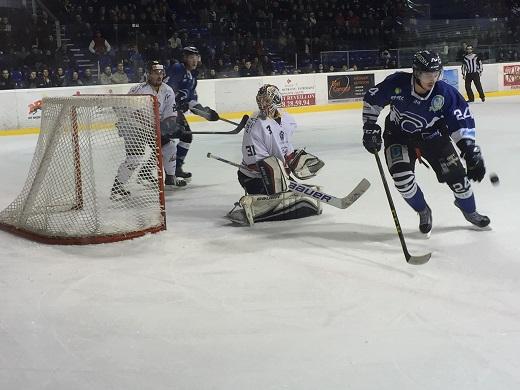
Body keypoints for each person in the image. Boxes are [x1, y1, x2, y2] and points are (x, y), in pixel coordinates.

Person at [362, 50, 490, 235]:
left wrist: (469, 149)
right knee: (402, 181)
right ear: (416, 72)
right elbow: (372, 100)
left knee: (460, 182)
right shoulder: (397, 83)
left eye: (436, 74)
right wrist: (369, 127)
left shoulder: (445, 93)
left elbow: (460, 120)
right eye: (426, 74)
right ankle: (423, 211)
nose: (432, 78)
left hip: (435, 138)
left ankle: (470, 212)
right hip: (397, 136)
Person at [228, 84, 324, 225]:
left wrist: (293, 161)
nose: (262, 104)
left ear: (276, 100)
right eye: (260, 100)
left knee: (292, 193)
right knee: (275, 171)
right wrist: (282, 172)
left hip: (278, 174)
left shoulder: (287, 119)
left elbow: (285, 148)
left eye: (266, 100)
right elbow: (255, 164)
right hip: (254, 178)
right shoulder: (255, 125)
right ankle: (259, 210)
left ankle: (279, 200)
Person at [110, 60, 186, 200]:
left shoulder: (167, 91)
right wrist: (155, 126)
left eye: (161, 72)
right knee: (135, 157)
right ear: (148, 74)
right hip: (133, 127)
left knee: (169, 147)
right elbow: (133, 114)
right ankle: (117, 187)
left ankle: (170, 178)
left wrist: (171, 126)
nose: (159, 75)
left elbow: (170, 115)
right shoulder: (139, 90)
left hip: (153, 127)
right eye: (155, 72)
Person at [166, 46, 219, 182]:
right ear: (184, 58)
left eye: (196, 57)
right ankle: (166, 170)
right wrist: (177, 102)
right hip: (166, 110)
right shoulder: (178, 69)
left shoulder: (193, 78)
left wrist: (206, 114)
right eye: (191, 57)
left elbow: (191, 102)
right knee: (167, 140)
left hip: (174, 111)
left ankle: (175, 168)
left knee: (185, 137)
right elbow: (167, 90)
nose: (195, 60)